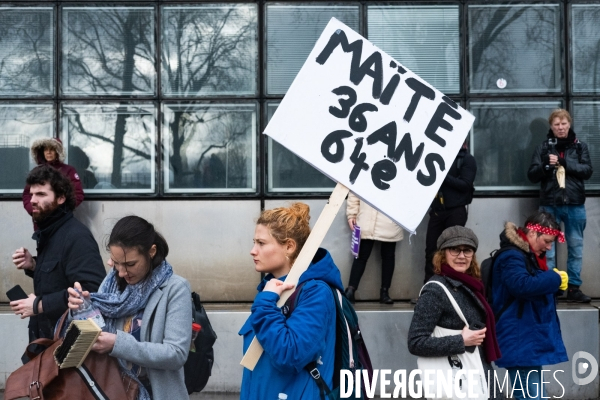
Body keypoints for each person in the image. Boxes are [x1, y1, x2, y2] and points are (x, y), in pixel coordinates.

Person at [67, 215, 192, 400]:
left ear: (151, 251)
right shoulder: (112, 285)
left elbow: (176, 354)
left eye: (130, 264)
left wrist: (117, 344)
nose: (122, 272)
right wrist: (81, 309)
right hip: (110, 391)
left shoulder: (175, 288)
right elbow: (96, 332)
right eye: (116, 264)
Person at [239, 203, 344, 400]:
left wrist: (265, 304)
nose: (253, 251)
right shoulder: (273, 289)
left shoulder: (315, 292)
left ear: (289, 246)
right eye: (254, 242)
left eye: (261, 243)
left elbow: (290, 354)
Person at [10, 165, 105, 360]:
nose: (33, 200)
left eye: (41, 194)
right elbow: (60, 276)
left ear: (61, 198)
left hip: (68, 351)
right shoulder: (51, 232)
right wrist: (34, 265)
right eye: (31, 194)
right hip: (46, 344)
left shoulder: (76, 236)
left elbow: (91, 290)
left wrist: (39, 305)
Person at [408, 226, 502, 399]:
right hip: (458, 378)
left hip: (478, 371)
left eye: (467, 250)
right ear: (443, 254)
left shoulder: (472, 284)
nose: (461, 256)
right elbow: (415, 342)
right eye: (454, 250)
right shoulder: (436, 290)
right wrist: (461, 340)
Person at [491, 212, 568, 399]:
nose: (549, 248)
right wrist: (554, 278)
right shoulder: (512, 256)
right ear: (532, 233)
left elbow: (532, 286)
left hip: (526, 339)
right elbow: (522, 286)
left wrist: (554, 286)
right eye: (548, 241)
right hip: (520, 339)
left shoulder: (527, 255)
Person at [527, 109, 593, 302]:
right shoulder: (543, 148)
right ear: (551, 127)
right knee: (547, 249)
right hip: (549, 204)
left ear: (569, 124)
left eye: (563, 124)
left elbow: (587, 171)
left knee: (576, 247)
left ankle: (573, 288)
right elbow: (532, 175)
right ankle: (551, 286)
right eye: (556, 124)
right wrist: (545, 166)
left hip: (574, 204)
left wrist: (563, 162)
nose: (561, 128)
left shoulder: (580, 147)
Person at [423, 143, 477, 284]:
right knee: (431, 252)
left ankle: (452, 286)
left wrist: (443, 176)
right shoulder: (438, 156)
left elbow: (465, 184)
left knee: (453, 250)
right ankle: (429, 287)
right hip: (437, 210)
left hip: (455, 210)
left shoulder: (466, 159)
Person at [345, 192, 404, 304]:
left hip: (385, 219)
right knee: (367, 256)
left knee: (383, 256)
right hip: (374, 220)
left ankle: (352, 290)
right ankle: (382, 292)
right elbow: (355, 191)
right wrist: (352, 214)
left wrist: (352, 214)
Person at [23, 137, 84, 218]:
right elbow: (27, 194)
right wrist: (33, 210)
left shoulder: (69, 170)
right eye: (45, 149)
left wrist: (63, 210)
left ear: (58, 152)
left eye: (52, 149)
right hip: (41, 219)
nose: (48, 152)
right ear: (42, 152)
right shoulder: (36, 171)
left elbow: (78, 194)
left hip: (62, 218)